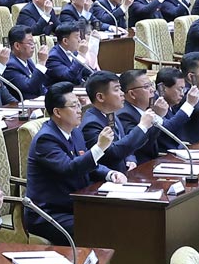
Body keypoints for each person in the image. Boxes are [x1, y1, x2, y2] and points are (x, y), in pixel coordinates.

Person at [22, 80, 125, 241]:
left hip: (75, 204)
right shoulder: (46, 139)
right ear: (57, 112)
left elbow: (84, 163)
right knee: (99, 227)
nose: (80, 110)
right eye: (74, 106)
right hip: (49, 214)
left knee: (119, 216)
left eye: (79, 104)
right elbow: (70, 168)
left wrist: (109, 174)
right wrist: (99, 148)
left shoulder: (75, 132)